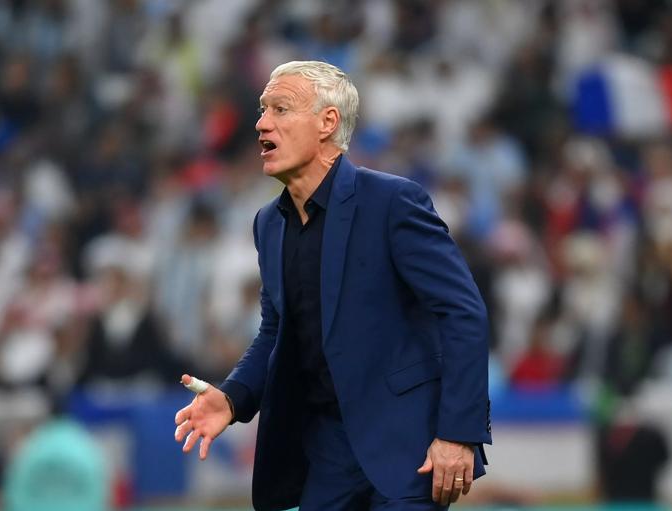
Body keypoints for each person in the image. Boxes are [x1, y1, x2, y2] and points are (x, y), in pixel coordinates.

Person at [174, 60, 491, 511]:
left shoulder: (392, 202)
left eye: (280, 109)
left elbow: (463, 312)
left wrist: (457, 432)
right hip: (326, 452)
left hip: (406, 447)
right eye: (263, 110)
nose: (262, 123)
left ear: (328, 122)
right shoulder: (269, 225)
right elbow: (276, 332)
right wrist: (233, 397)